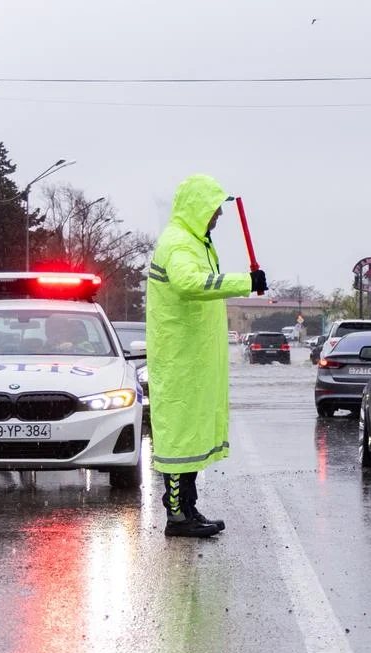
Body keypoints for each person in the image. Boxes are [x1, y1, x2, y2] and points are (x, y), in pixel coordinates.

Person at [147, 174, 267, 538]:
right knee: (179, 440)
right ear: (198, 208)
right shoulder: (179, 244)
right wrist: (245, 283)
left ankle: (188, 509)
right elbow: (190, 284)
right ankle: (178, 516)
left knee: (190, 436)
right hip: (180, 358)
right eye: (214, 209)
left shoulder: (195, 242)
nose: (218, 216)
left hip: (191, 358)